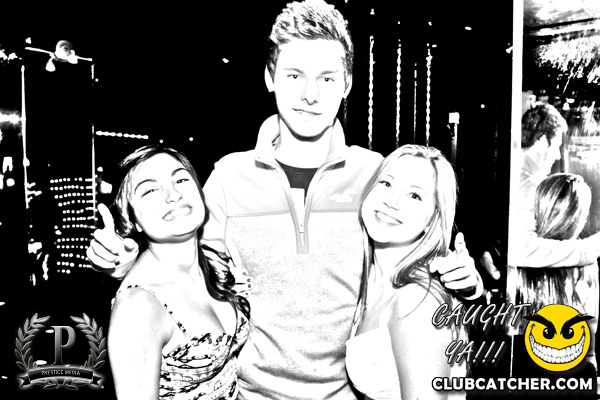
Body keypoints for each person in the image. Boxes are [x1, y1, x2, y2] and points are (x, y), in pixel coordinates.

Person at [88, 2, 483, 399]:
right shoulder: (229, 177)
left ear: (347, 84)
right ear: (270, 77)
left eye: (327, 78)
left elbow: (414, 267)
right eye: (295, 75)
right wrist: (126, 263)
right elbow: (185, 271)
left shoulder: (376, 177)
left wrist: (466, 282)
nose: (311, 95)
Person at [107, 145, 250, 399]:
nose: (173, 194)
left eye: (181, 180)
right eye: (150, 190)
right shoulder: (138, 306)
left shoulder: (216, 264)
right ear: (133, 219)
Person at [345, 144, 467, 400]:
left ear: (433, 220)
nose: (392, 202)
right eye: (386, 183)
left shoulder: (415, 301)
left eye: (415, 196)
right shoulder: (371, 280)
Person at [512, 172, 598, 398]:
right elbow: (590, 333)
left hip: (521, 369)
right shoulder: (585, 265)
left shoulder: (517, 260)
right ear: (577, 216)